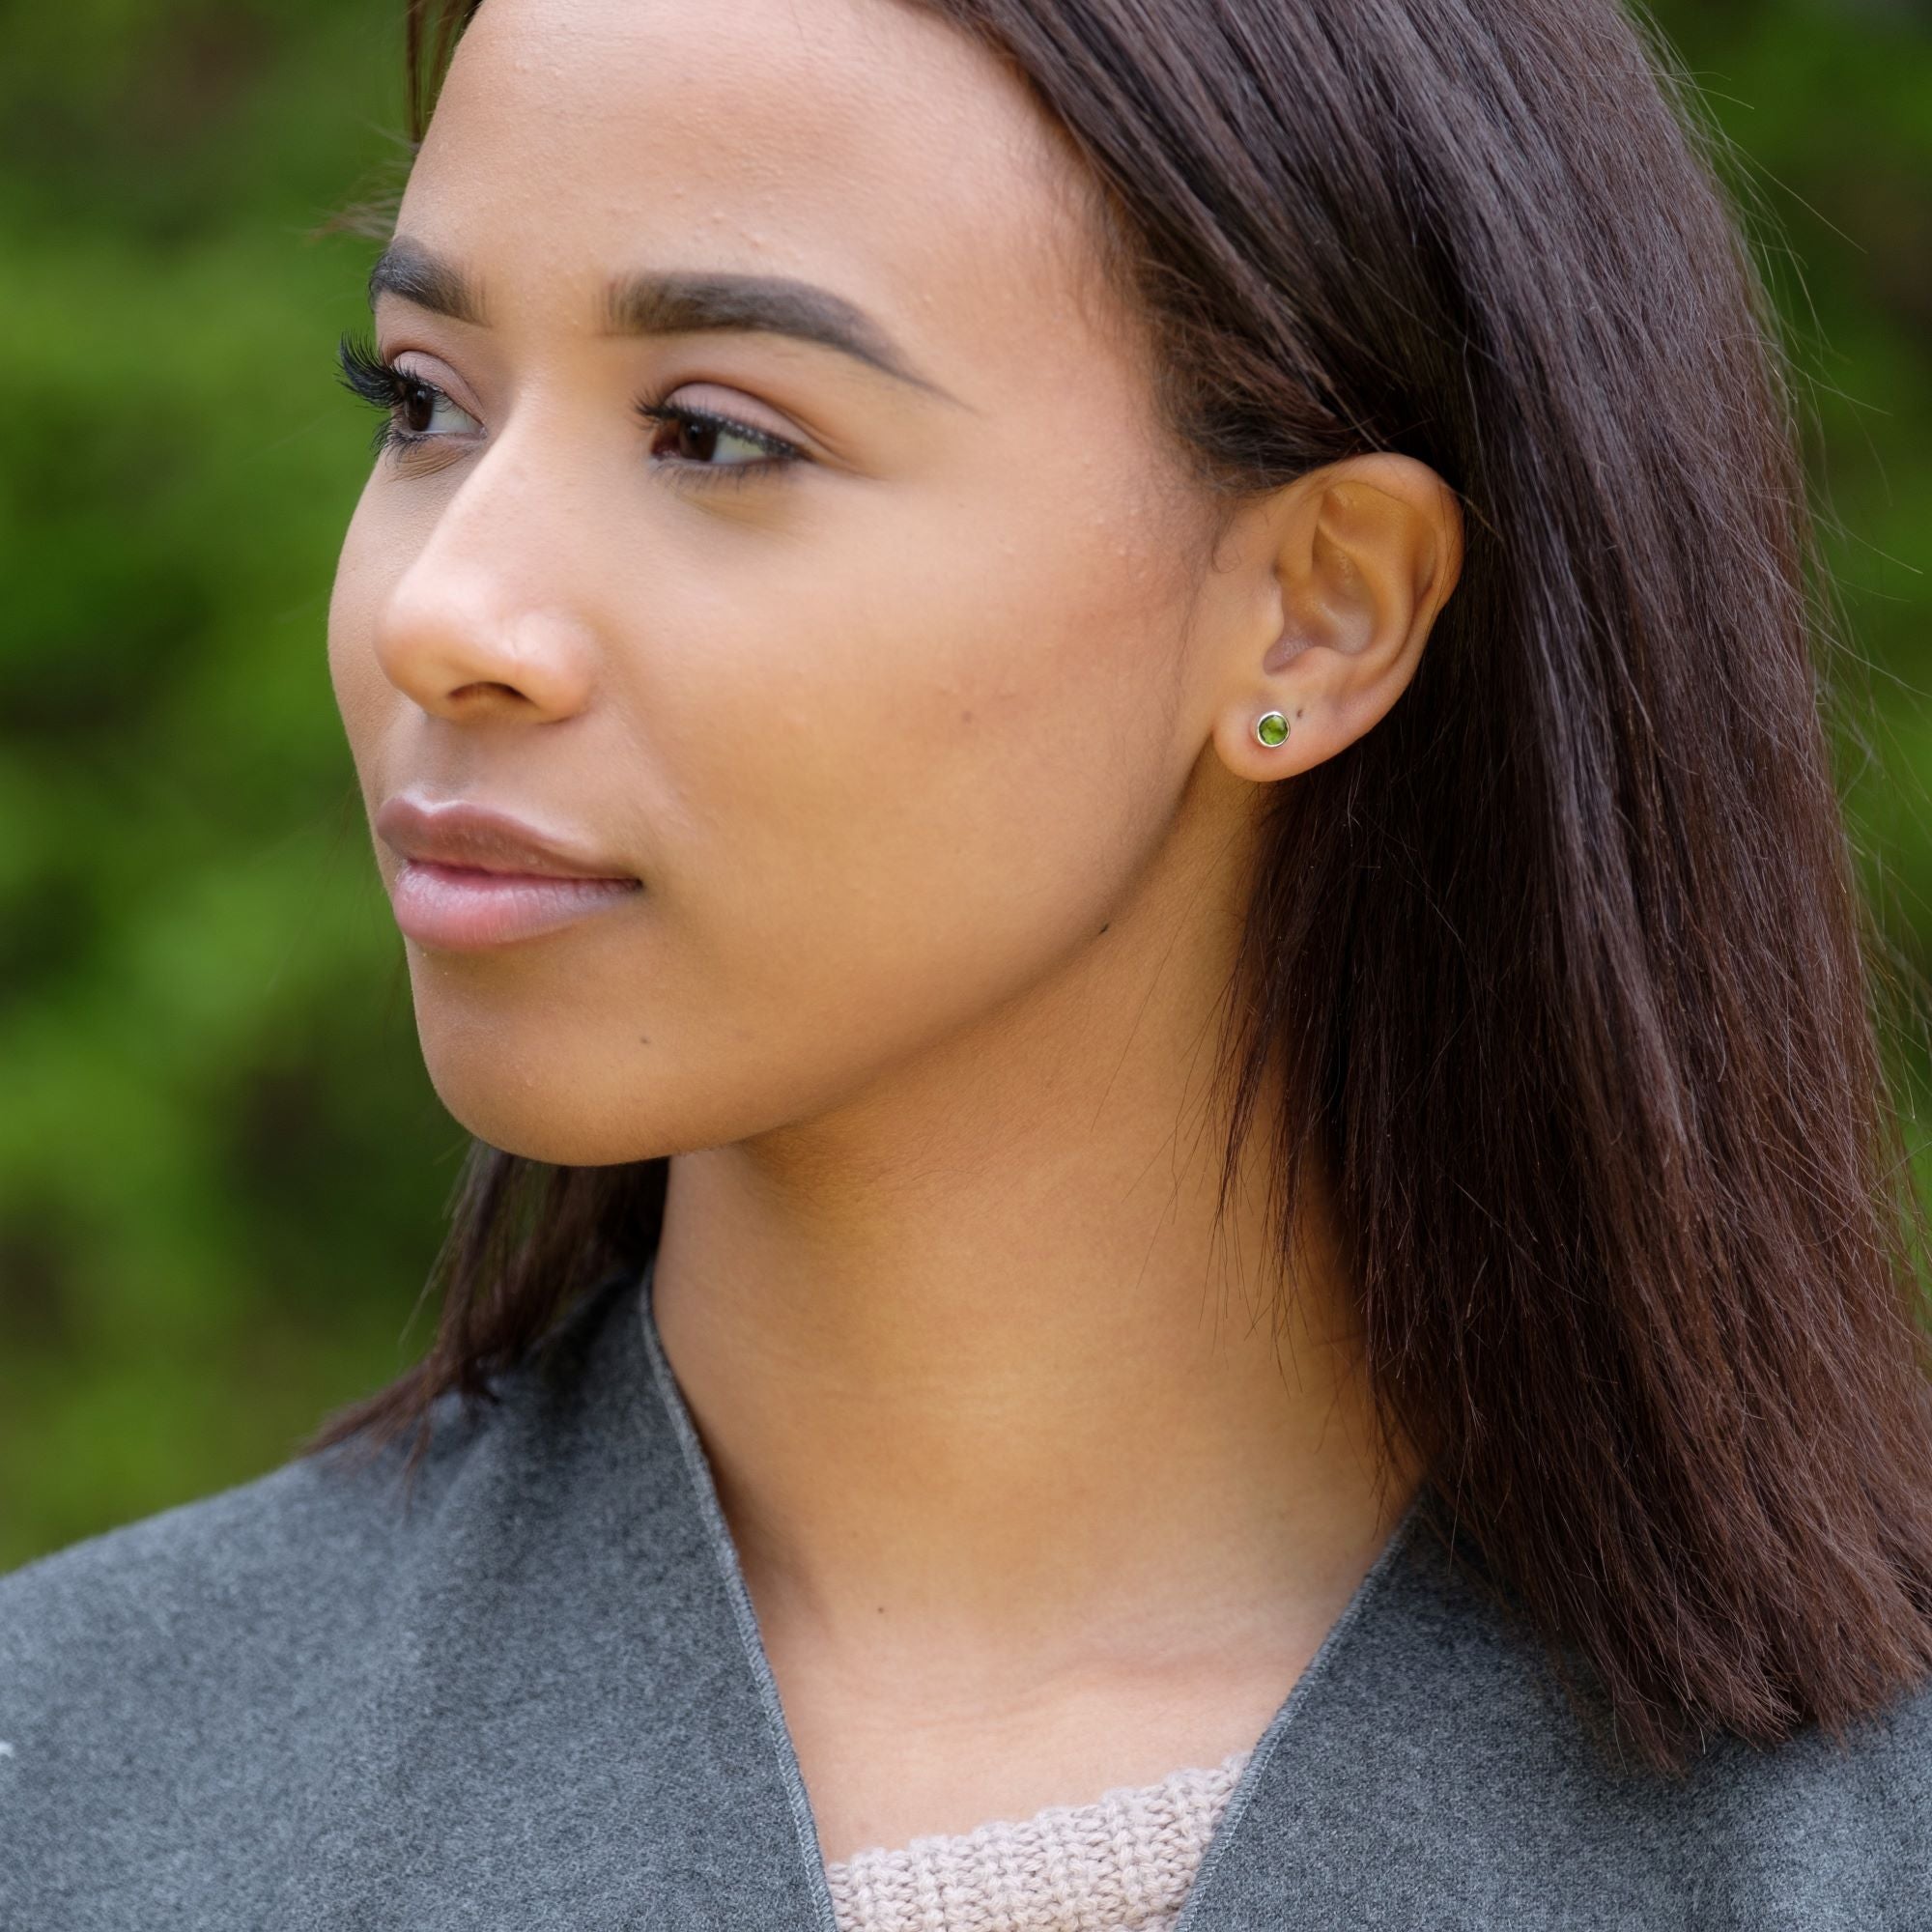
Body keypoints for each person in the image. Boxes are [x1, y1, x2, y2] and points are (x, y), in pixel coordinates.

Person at [5, 0, 1931, 1924]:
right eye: (423, 399)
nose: (444, 613)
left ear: (1316, 612)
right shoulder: (75, 1793)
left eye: (714, 434)